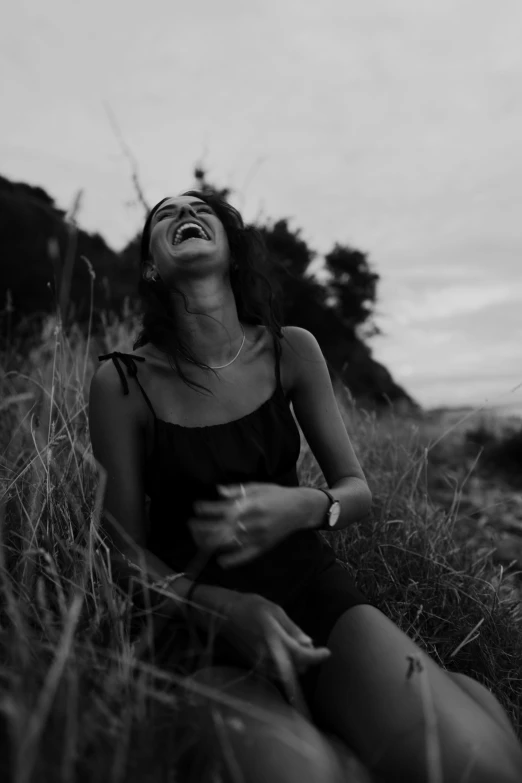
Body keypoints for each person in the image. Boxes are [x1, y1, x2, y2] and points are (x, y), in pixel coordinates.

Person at [89, 191, 522, 783]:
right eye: (164, 214)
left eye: (200, 209)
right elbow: (121, 553)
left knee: (482, 768)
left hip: (313, 594)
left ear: (233, 252)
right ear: (150, 266)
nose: (183, 213)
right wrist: (226, 610)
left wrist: (306, 507)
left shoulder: (292, 349)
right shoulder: (121, 382)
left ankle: (444, 700)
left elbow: (356, 492)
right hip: (197, 627)